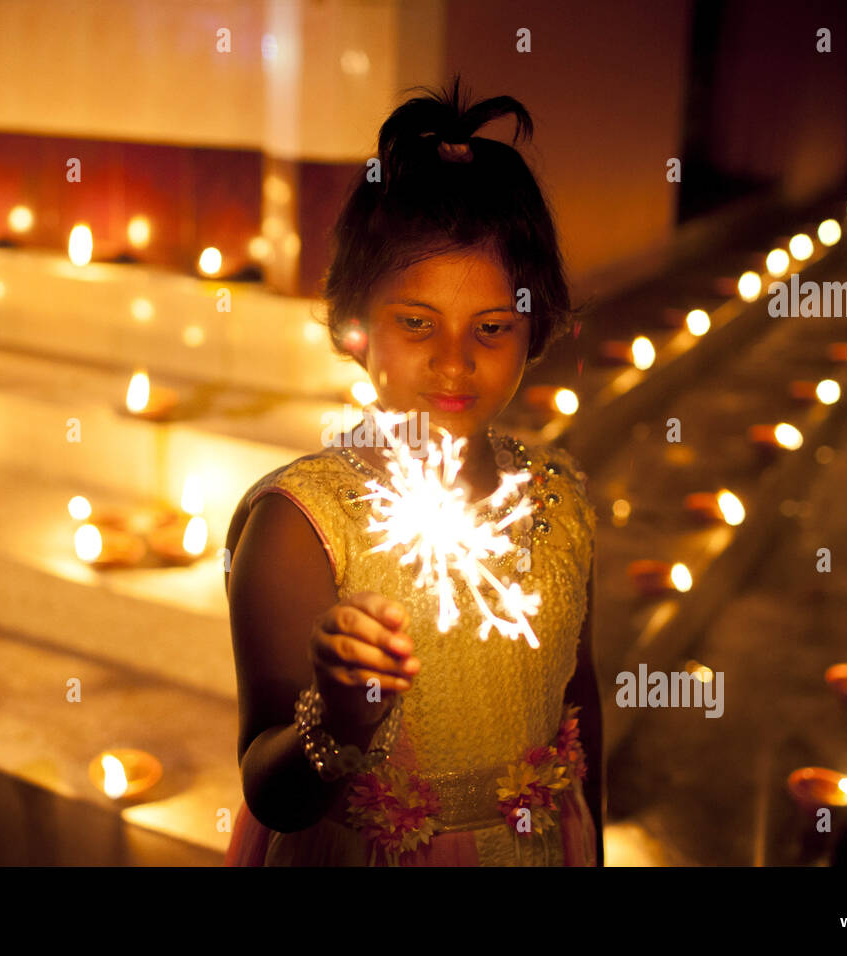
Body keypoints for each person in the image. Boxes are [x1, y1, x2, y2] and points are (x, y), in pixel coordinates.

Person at [222, 75, 602, 865]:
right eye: (416, 323)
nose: (454, 362)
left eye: (492, 326)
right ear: (358, 328)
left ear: (536, 326)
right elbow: (271, 791)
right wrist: (339, 722)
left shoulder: (560, 502)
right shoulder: (299, 528)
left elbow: (580, 705)